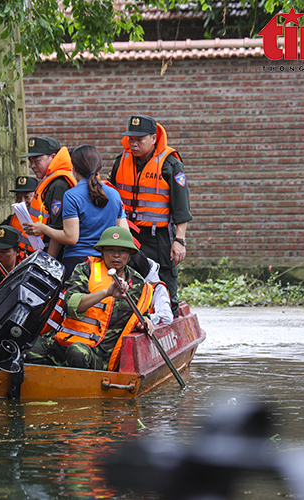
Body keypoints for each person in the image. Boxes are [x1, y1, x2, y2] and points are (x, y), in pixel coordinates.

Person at [25, 226, 154, 371]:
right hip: (65, 340)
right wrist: (106, 292)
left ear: (130, 254)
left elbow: (141, 314)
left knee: (77, 353)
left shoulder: (138, 284)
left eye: (122, 251)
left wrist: (146, 322)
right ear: (102, 252)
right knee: (25, 350)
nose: (116, 255)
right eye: (110, 250)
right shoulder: (85, 270)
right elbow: (71, 305)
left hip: (98, 352)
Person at [109, 114, 192, 317]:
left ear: (153, 139)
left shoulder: (170, 164)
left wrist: (180, 240)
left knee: (164, 277)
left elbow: (181, 207)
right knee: (128, 277)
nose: (134, 144)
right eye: (131, 139)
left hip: (159, 236)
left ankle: (168, 319)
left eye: (140, 139)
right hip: (128, 233)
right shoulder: (121, 161)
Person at [24, 144, 127, 278]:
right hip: (106, 263)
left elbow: (71, 238)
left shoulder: (71, 195)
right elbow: (124, 232)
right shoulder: (114, 194)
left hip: (77, 264)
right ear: (99, 167)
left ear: (74, 168)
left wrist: (44, 229)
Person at [19, 136, 77, 259]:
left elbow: (58, 227)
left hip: (59, 256)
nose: (32, 166)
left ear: (53, 157)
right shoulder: (51, 180)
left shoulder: (59, 185)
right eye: (30, 161)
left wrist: (48, 263)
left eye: (37, 161)